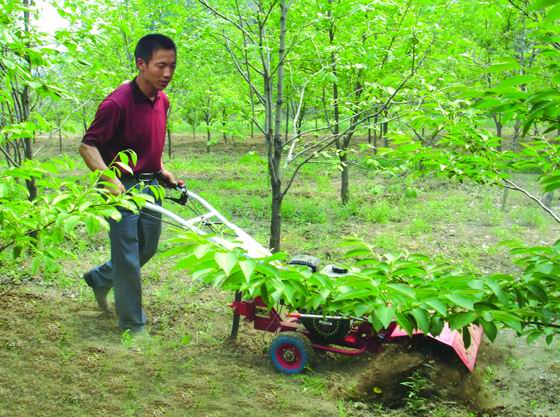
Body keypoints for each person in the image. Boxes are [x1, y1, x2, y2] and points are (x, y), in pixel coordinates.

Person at [79, 34, 177, 334]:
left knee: (147, 248)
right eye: (161, 65)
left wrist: (161, 169)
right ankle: (133, 325)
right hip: (121, 188)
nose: (167, 73)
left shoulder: (162, 100)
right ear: (141, 64)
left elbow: (148, 141)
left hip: (150, 185)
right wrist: (109, 180)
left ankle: (100, 278)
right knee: (127, 255)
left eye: (172, 66)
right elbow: (88, 147)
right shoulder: (117, 103)